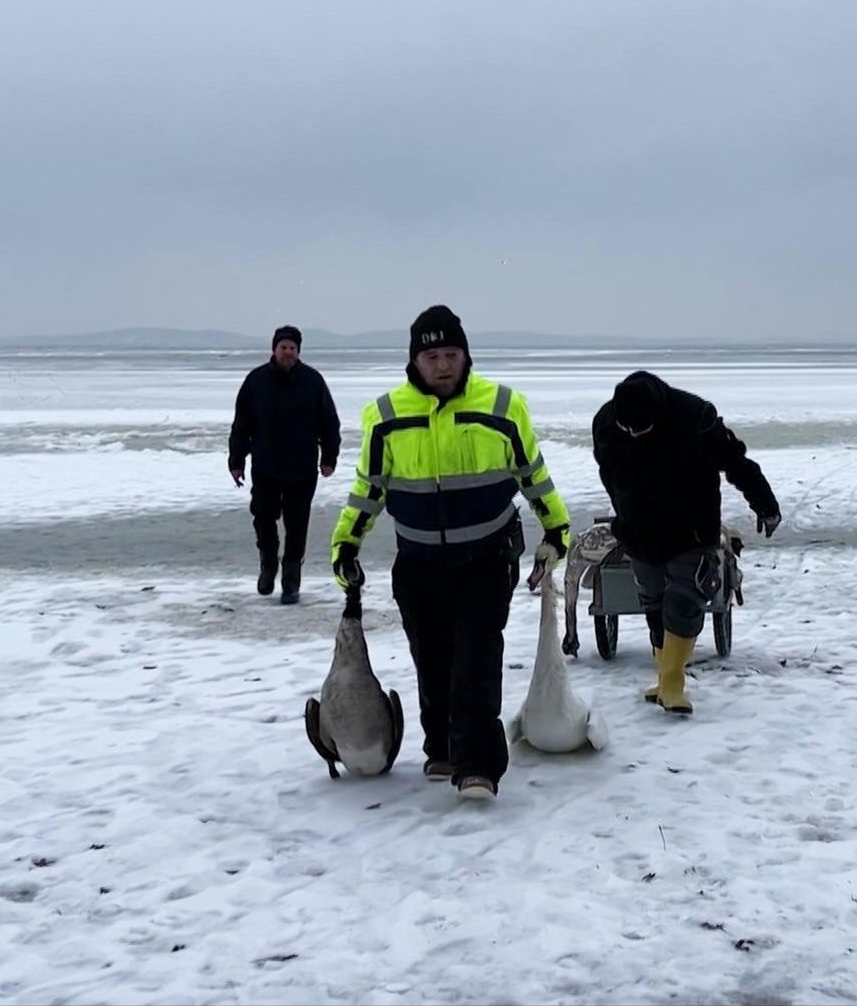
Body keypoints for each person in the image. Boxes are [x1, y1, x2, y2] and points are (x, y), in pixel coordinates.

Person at [329, 305, 571, 801]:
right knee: (432, 659)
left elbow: (533, 475)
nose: (442, 365)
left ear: (466, 355)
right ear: (414, 360)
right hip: (418, 563)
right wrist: (346, 543)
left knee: (476, 659)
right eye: (432, 356)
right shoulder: (386, 415)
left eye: (451, 354)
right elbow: (369, 488)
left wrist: (556, 529)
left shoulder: (504, 406)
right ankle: (441, 747)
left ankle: (478, 766)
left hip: (486, 559)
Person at [591, 370, 781, 715]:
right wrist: (624, 511)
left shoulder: (696, 418)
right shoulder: (605, 423)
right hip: (639, 530)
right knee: (654, 603)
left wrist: (765, 504)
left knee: (684, 601)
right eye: (627, 428)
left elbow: (735, 462)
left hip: (691, 528)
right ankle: (663, 678)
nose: (634, 434)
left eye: (641, 428)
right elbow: (608, 473)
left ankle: (673, 682)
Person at [228, 325, 341, 605]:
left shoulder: (313, 381)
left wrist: (329, 458)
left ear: (298, 351)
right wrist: (236, 461)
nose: (288, 352)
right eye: (283, 347)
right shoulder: (256, 381)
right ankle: (268, 564)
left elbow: (329, 423)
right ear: (274, 349)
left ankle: (291, 578)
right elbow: (242, 424)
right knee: (263, 517)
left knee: (297, 524)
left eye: (292, 348)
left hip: (302, 468)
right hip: (266, 466)